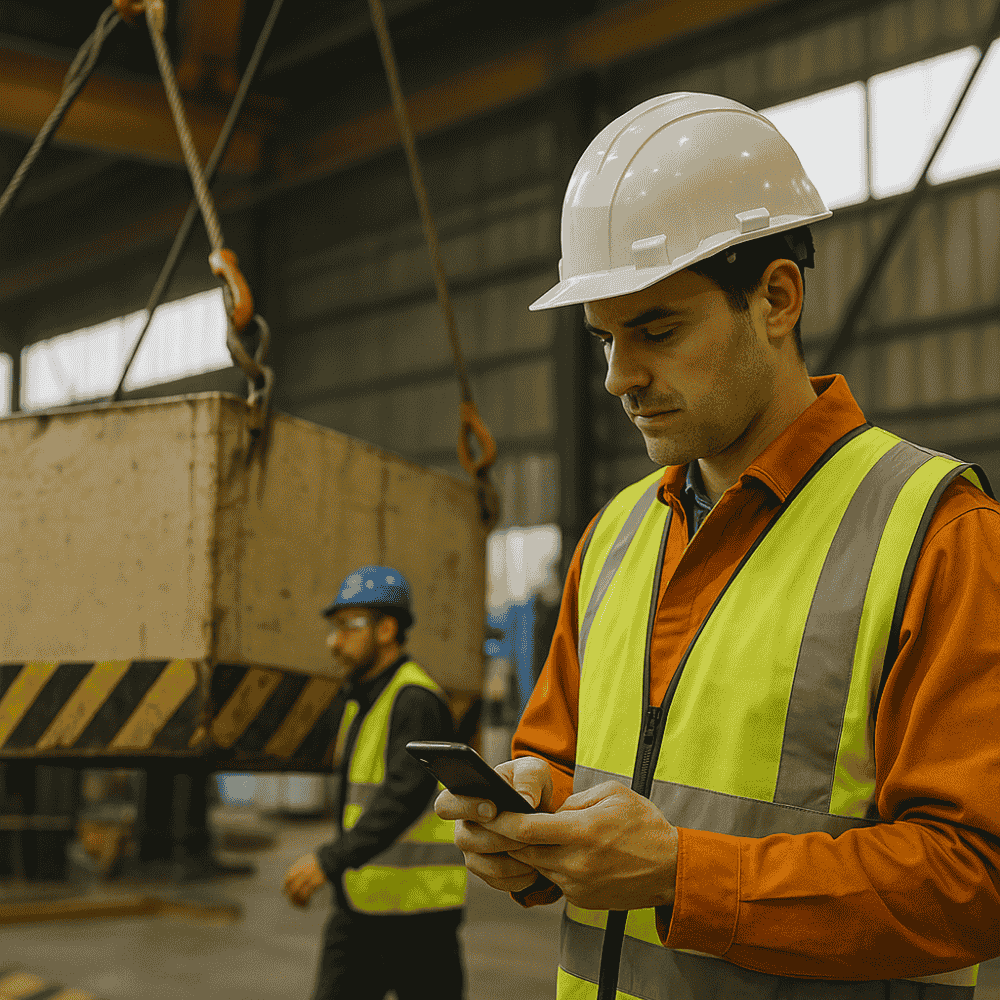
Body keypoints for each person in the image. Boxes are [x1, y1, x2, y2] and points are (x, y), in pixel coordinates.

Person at [435, 93, 1000, 999]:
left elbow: (976, 881)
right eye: (605, 339)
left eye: (657, 330)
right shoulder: (618, 536)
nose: (620, 377)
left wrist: (682, 876)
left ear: (777, 297)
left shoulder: (935, 533)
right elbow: (563, 759)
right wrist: (530, 822)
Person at [284, 564, 467, 1000]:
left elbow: (402, 797)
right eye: (335, 627)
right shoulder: (362, 699)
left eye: (349, 626)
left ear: (387, 629)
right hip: (362, 907)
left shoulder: (415, 700)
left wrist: (328, 860)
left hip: (418, 916)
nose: (334, 640)